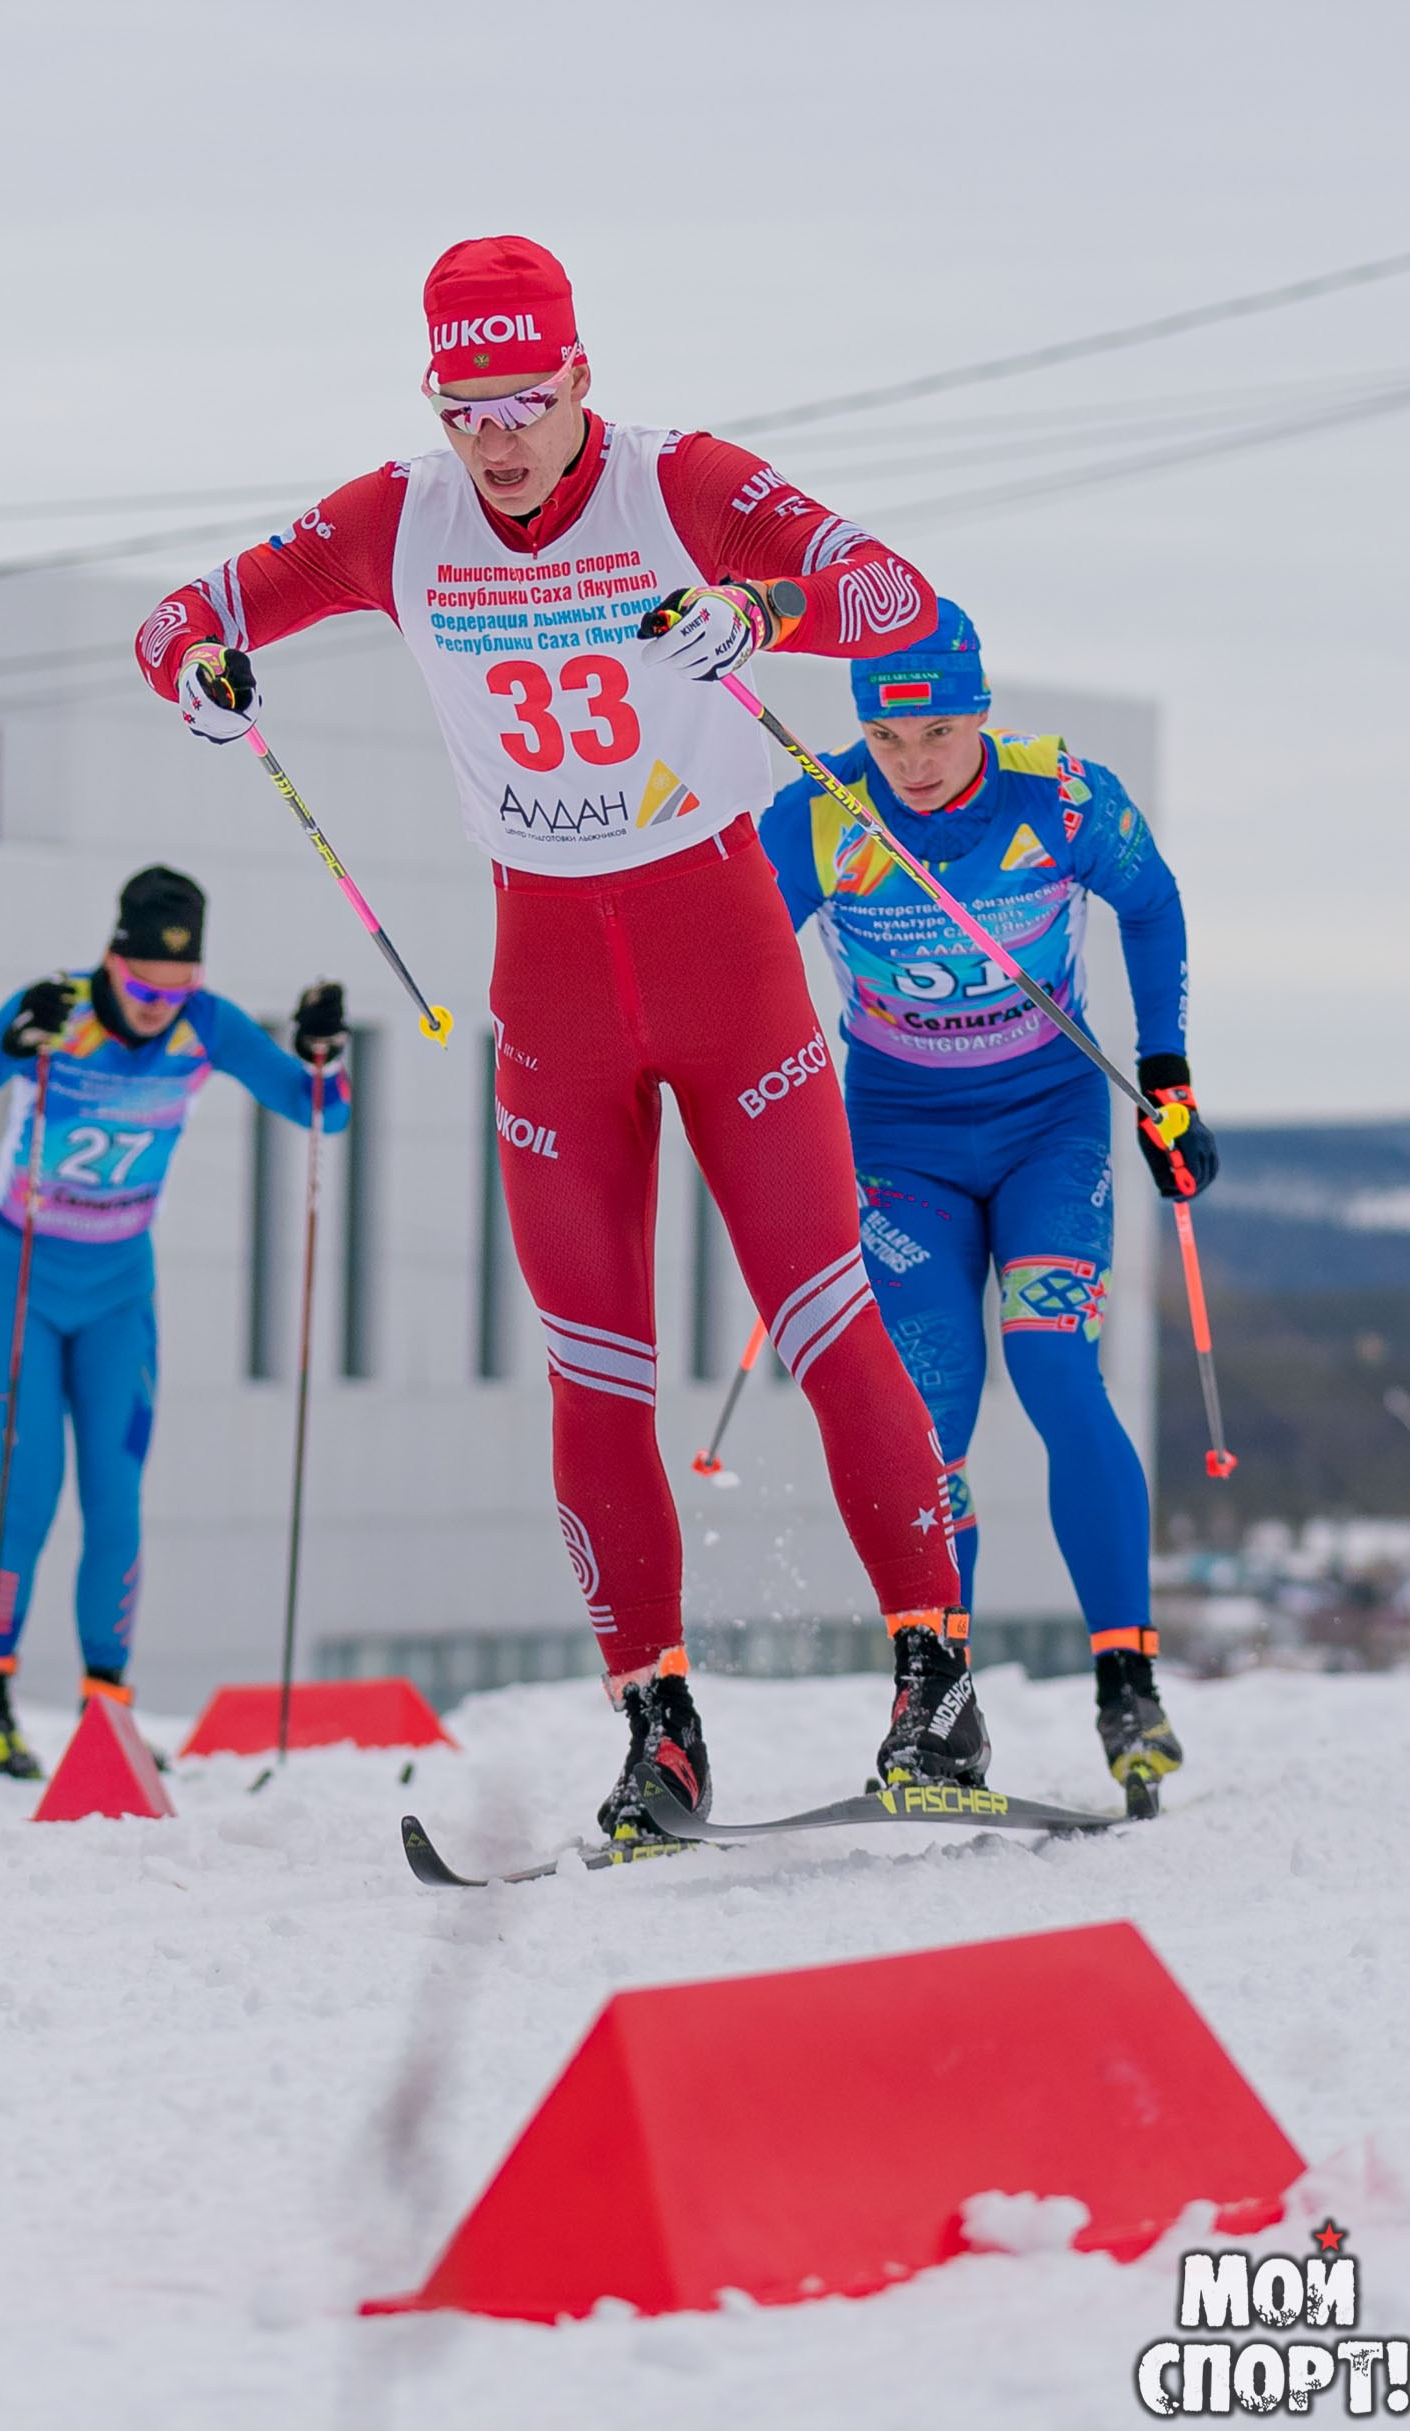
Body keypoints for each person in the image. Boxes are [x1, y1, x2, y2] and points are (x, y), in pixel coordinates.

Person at [135, 233, 986, 1840]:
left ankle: (936, 1688)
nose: (502, 438)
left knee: (821, 1317)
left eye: (528, 398)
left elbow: (899, 596)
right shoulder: (404, 516)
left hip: (721, 950)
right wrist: (200, 668)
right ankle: (657, 1732)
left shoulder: (685, 483)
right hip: (553, 979)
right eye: (471, 406)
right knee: (594, 1368)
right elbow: (183, 613)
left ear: (584, 377)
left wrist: (760, 608)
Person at [756, 599, 1219, 1805]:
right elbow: (741, 963)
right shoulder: (818, 812)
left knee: (1055, 1367)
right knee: (923, 1416)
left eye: (940, 735)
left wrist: (1163, 1075)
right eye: (887, 738)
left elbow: (1150, 901)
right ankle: (939, 1697)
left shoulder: (1057, 795)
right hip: (896, 1140)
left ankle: (1125, 1684)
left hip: (1047, 1124)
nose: (911, 766)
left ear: (980, 717)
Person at [0, 864, 350, 1777]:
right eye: (146, 986)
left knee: (116, 1506)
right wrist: (6, 1045)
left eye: (179, 986)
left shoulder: (207, 1025)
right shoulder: (59, 1007)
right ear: (112, 959)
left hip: (120, 1283)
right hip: (21, 1275)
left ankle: (104, 1714)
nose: (161, 1005)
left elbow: (322, 1111)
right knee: (28, 1494)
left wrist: (323, 1051)